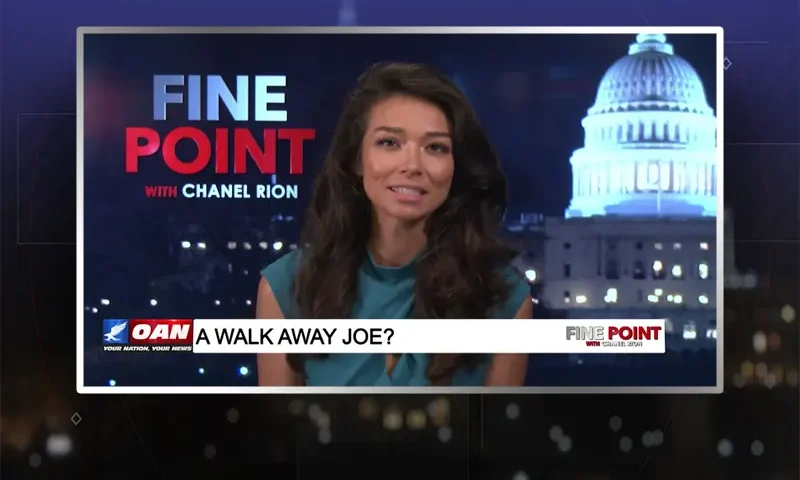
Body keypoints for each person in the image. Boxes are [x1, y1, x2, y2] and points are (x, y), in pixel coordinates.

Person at [256, 62, 531, 387]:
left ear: (456, 168)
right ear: (357, 160)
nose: (412, 165)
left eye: (435, 147)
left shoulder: (504, 299)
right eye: (389, 143)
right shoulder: (287, 287)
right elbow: (280, 433)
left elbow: (494, 435)